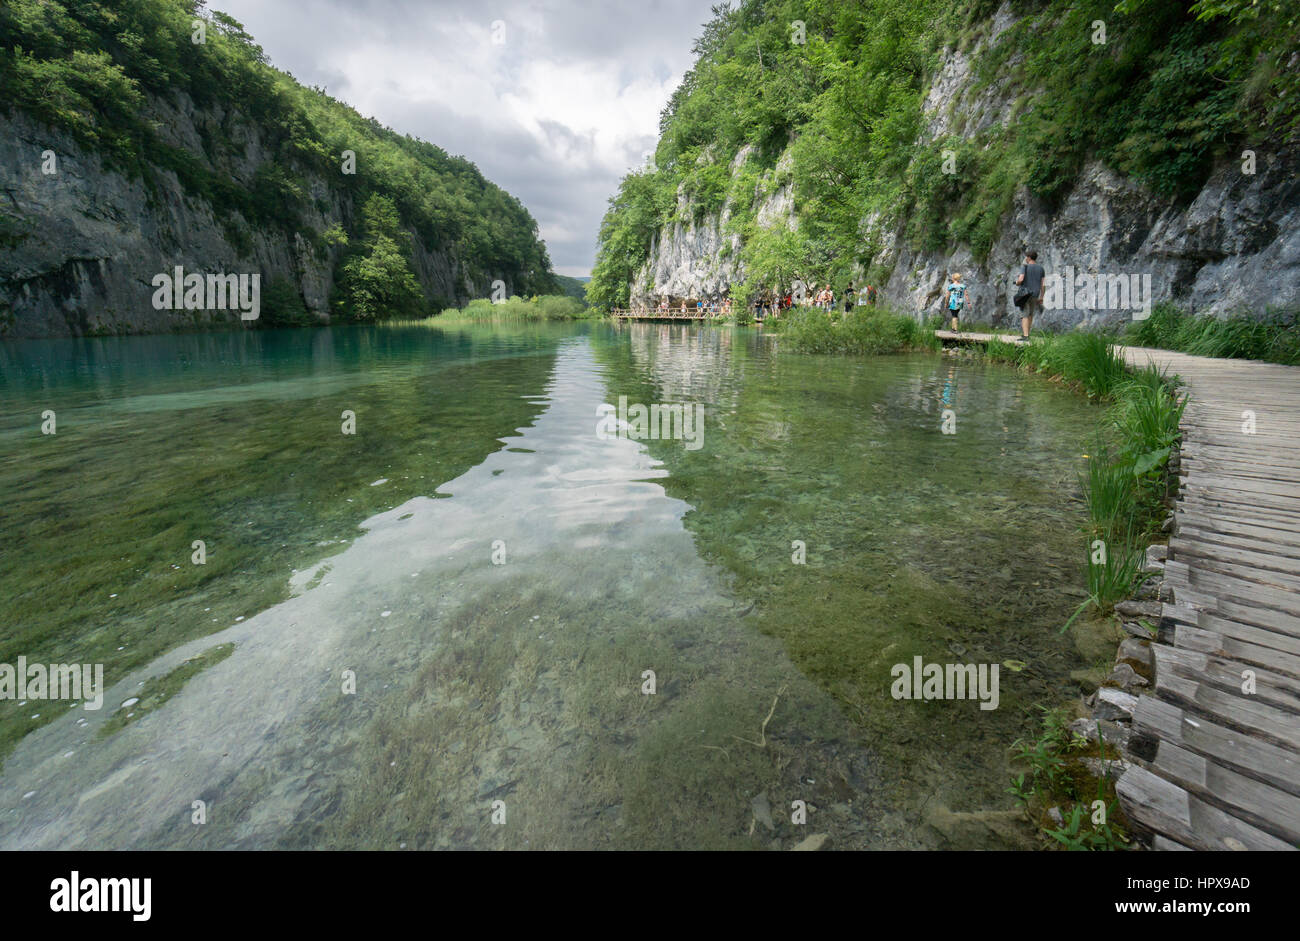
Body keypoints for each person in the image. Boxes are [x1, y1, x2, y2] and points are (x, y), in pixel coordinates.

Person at [1015, 251, 1045, 341]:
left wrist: (1017, 283)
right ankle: (1028, 333)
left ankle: (1025, 336)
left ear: (1028, 257)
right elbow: (1043, 284)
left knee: (1024, 314)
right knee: (1030, 314)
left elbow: (1021, 279)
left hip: (1025, 293)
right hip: (1035, 293)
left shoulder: (1025, 266)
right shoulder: (1041, 268)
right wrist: (1042, 296)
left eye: (1026, 257)